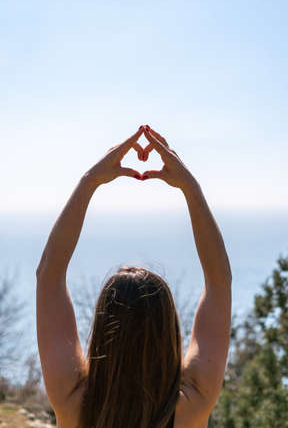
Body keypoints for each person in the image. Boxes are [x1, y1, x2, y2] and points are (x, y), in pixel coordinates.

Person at [36, 125, 232, 428]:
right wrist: (190, 187)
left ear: (104, 327)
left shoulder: (73, 400)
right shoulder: (191, 404)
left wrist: (90, 181)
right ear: (167, 330)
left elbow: (49, 273)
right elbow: (220, 282)